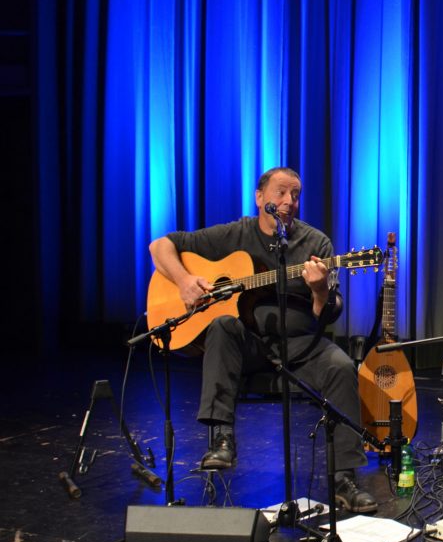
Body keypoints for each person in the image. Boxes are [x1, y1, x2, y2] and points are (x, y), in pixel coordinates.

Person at [148, 166, 377, 513]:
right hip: (250, 345)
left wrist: (318, 290)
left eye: (296, 195)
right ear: (260, 198)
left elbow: (329, 313)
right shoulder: (236, 234)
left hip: (302, 344)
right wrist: (183, 281)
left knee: (341, 366)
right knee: (223, 324)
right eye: (281, 193)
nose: (289, 201)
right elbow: (160, 246)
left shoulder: (316, 244)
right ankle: (223, 439)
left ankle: (344, 478)